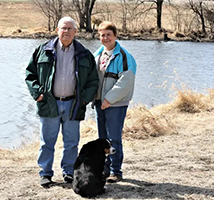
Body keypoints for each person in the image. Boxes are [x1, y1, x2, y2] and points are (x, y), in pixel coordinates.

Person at [25, 16, 99, 187]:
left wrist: (83, 101)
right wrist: (38, 94)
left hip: (73, 105)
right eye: (63, 28)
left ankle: (69, 172)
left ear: (75, 32)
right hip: (49, 103)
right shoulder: (42, 51)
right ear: (57, 30)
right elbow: (30, 75)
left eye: (69, 29)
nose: (66, 31)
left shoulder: (84, 54)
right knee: (47, 142)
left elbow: (93, 81)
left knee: (71, 143)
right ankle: (45, 173)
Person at [93, 21, 137, 183]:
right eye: (102, 35)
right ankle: (104, 169)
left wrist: (108, 99)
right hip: (99, 103)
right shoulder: (98, 55)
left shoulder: (124, 56)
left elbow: (126, 82)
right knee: (102, 138)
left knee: (114, 138)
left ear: (115, 36)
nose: (105, 38)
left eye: (108, 35)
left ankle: (116, 171)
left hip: (115, 105)